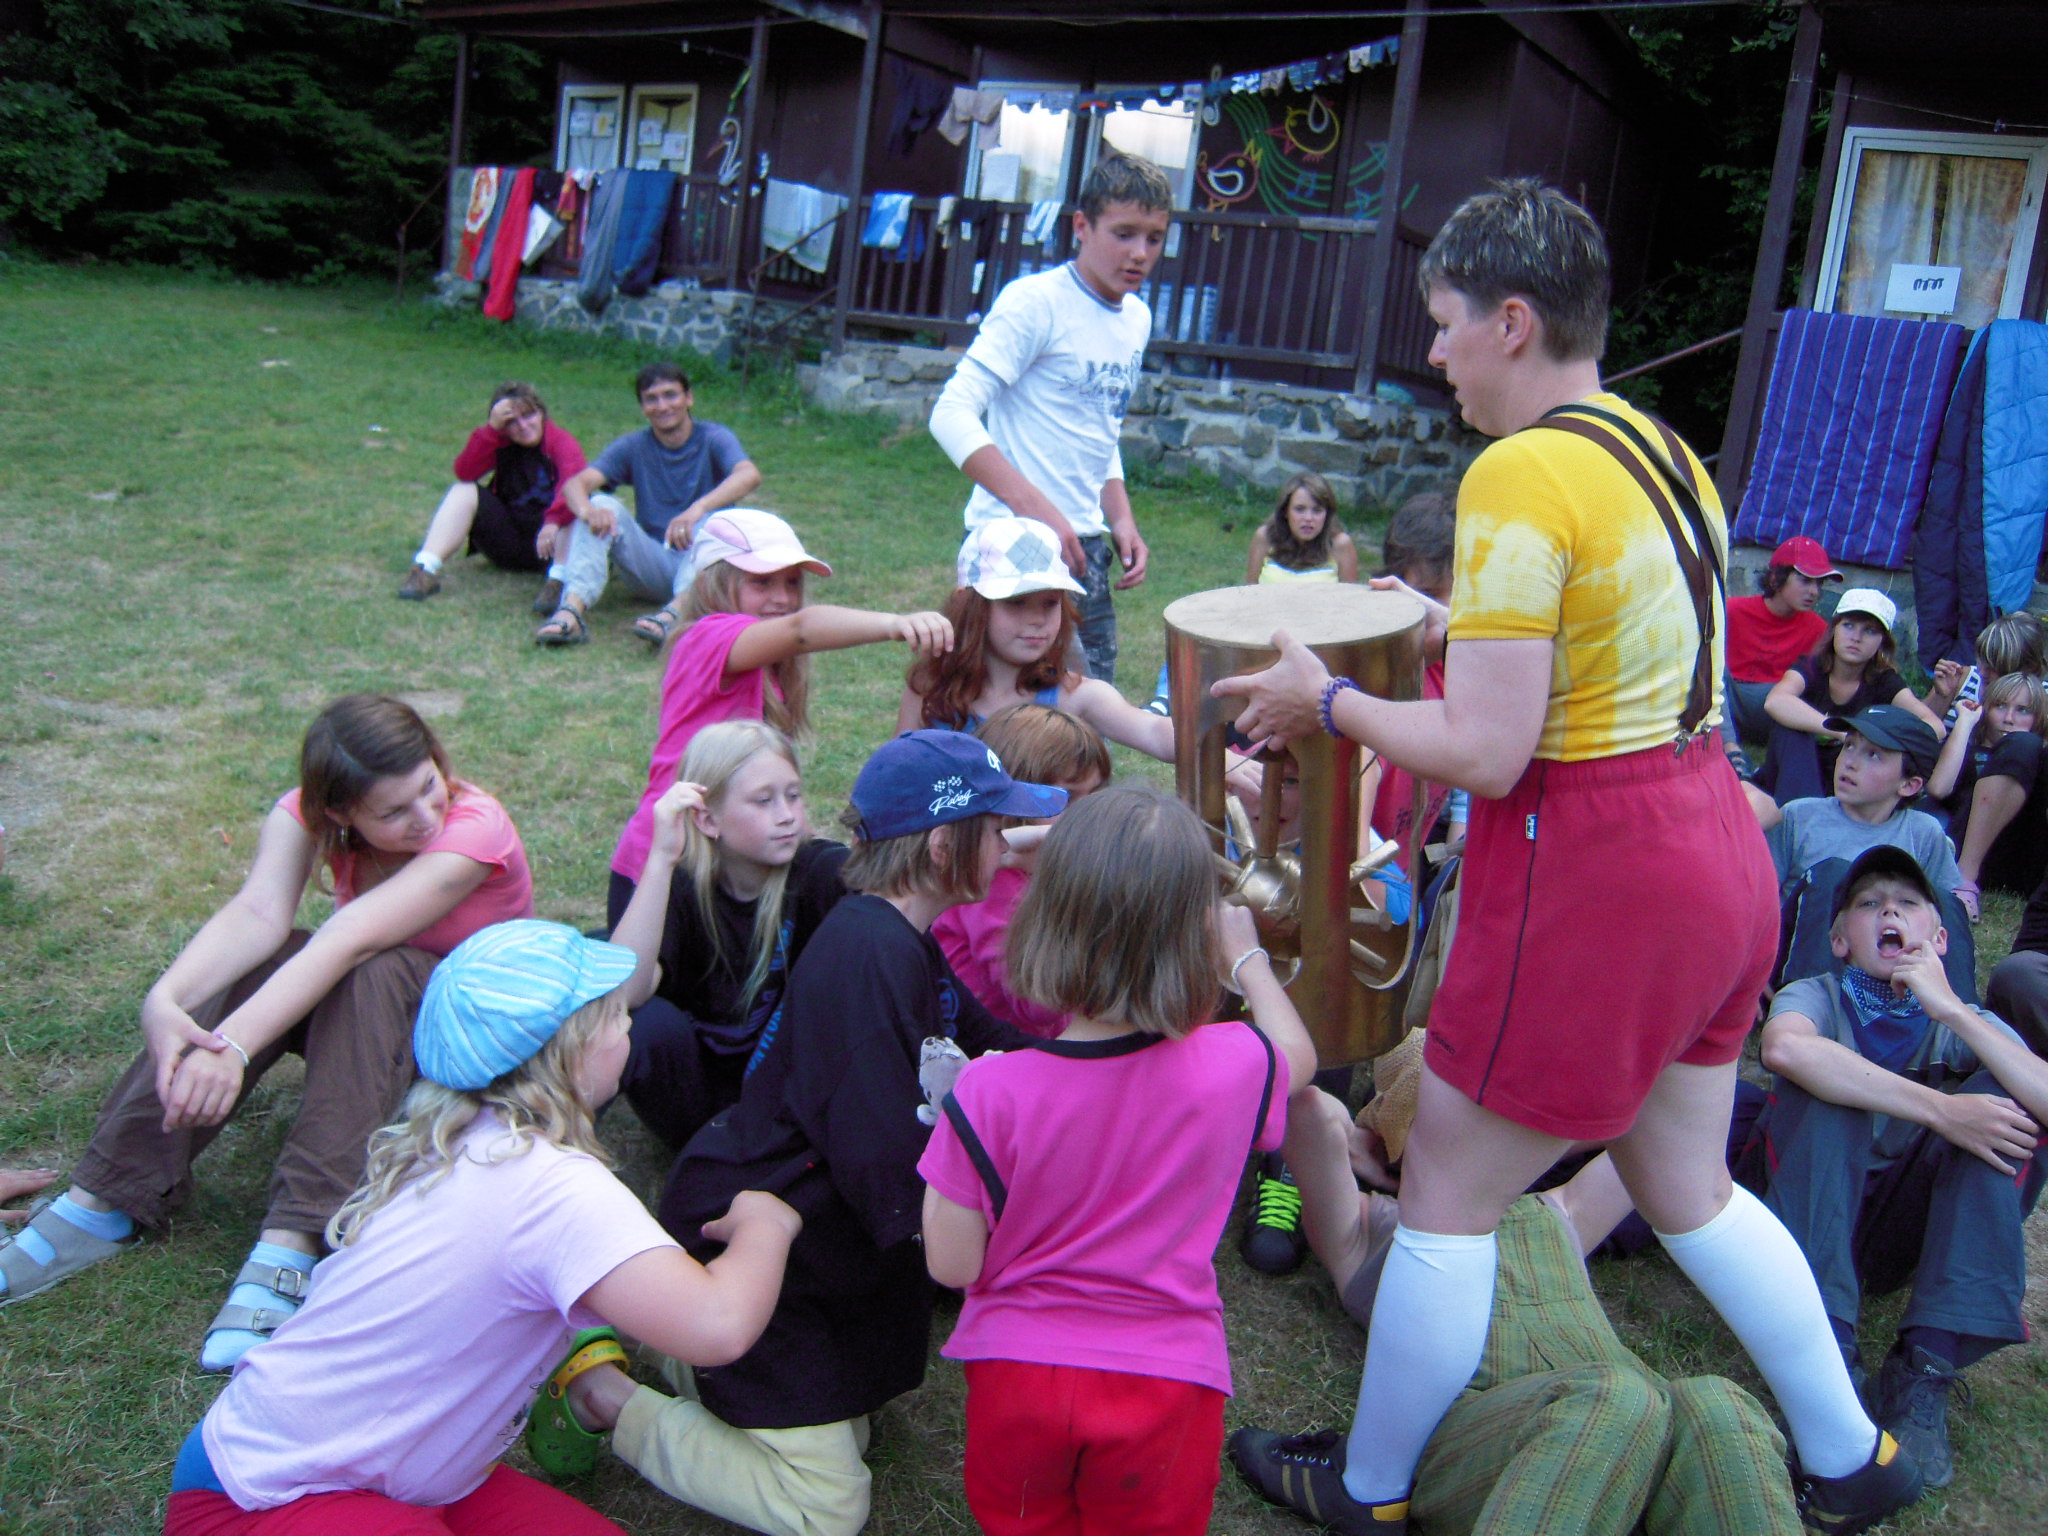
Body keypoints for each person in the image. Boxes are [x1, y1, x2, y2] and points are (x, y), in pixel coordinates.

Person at [1213, 179, 1915, 1535]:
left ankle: (1368, 1489)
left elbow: (1486, 752)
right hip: (1714, 849)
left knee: (1445, 1193)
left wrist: (1328, 701)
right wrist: (1449, 623)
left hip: (1597, 875)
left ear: (1513, 322)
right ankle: (1851, 1452)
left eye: (1445, 323)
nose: (1434, 351)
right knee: (1689, 1188)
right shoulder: (1661, 449)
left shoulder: (1518, 470)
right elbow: (1606, 643)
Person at [543, 732, 1065, 1536]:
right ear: (939, 850)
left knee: (853, 1424)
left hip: (815, 1229)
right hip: (761, 1231)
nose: (1006, 850)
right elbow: (885, 1170)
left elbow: (989, 1039)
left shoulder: (899, 935)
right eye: (995, 831)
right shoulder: (868, 954)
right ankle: (611, 1391)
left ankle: (688, 1347)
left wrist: (1103, 1069)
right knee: (825, 1505)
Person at [160, 919, 802, 1536]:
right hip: (268, 1497)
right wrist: (764, 1225)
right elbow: (718, 1325)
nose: (629, 1024)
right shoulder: (555, 1190)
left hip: (394, 1475)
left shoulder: (458, 1139)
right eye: (614, 1016)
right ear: (572, 1052)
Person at [0, 695, 534, 1374]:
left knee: (376, 966)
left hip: (471, 1041)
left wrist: (233, 1046)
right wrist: (166, 1001)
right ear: (340, 814)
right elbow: (258, 913)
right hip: (375, 1029)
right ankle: (103, 1197)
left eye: (430, 785)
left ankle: (299, 1233)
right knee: (277, 953)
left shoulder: (474, 830)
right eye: (393, 812)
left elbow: (350, 937)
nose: (426, 817)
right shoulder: (303, 815)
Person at [918, 784, 1317, 1536]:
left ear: (1045, 922)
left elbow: (951, 1263)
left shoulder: (989, 1091)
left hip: (1018, 1374)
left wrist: (1033, 853)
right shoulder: (1236, 1066)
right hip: (1167, 1380)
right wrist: (1249, 960)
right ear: (1198, 940)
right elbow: (1298, 1053)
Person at [1232, 1081, 1803, 1536]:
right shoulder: (1371, 1229)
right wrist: (1372, 1144)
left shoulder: (1559, 1210)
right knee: (1615, 1397)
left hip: (1640, 1439)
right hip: (1496, 1445)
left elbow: (1658, 1119)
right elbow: (1307, 1108)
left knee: (1720, 1403)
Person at [1747, 845, 2048, 1492]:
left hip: (1894, 1234)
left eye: (1908, 903)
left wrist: (1952, 1009)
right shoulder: (1816, 994)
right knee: (1825, 1086)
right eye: (1869, 904)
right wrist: (1943, 1111)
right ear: (1840, 941)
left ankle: (1925, 1366)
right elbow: (1785, 1048)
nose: (1889, 912)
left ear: (1939, 940)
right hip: (1801, 1221)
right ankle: (1826, 1361)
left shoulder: (1959, 1023)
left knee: (2011, 1102)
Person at [606, 508, 951, 928]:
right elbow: (800, 630)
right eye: (761, 582)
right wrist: (895, 623)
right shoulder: (706, 639)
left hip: (730, 863)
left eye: (791, 582)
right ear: (715, 582)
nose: (782, 598)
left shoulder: (768, 670)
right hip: (665, 862)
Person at [928, 152, 1170, 684]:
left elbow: (1098, 424)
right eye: (1124, 234)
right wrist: (1037, 512)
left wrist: (1121, 516)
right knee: (998, 706)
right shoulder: (1035, 303)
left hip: (1083, 546)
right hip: (1009, 544)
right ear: (1082, 226)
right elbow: (950, 412)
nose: (1140, 253)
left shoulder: (1137, 317)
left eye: (1154, 238)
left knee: (1089, 705)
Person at [607, 721, 849, 1146]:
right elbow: (624, 992)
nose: (787, 815)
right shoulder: (683, 886)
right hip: (698, 1098)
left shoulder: (819, 871)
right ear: (707, 819)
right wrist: (661, 858)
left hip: (790, 1089)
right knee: (641, 1017)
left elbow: (897, 901)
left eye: (793, 795)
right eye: (763, 800)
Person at [898, 519, 1176, 765]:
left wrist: (1209, 750)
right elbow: (895, 775)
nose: (1037, 619)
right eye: (1016, 602)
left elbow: (1154, 733)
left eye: (1050, 603)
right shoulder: (930, 690)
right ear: (967, 603)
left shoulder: (1077, 696)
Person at [538, 363, 762, 647]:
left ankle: (676, 614)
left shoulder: (714, 437)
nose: (662, 406)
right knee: (601, 503)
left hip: (704, 566)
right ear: (643, 407)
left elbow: (749, 474)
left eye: (671, 395)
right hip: (654, 560)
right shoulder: (634, 445)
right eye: (651, 399)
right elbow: (575, 485)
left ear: (688, 398)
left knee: (716, 521)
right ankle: (570, 612)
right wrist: (588, 512)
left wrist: (697, 509)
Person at [930, 702, 1112, 1038]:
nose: (1085, 815)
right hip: (988, 1055)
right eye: (1066, 798)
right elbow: (1039, 1002)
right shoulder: (992, 885)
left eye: (1095, 796)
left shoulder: (1031, 868)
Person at [398, 381, 588, 610]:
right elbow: (465, 472)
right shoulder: (500, 442)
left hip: (553, 544)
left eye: (528, 416)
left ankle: (558, 582)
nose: (523, 426)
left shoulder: (561, 443)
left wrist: (553, 521)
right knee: (462, 490)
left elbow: (574, 485)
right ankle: (424, 570)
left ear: (542, 413)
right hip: (509, 541)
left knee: (579, 503)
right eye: (511, 422)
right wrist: (490, 431)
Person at [1745, 706, 1960, 901]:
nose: (1850, 762)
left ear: (1909, 785)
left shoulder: (1923, 834)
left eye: (1874, 755)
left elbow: (1944, 907)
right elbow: (1759, 897)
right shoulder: (1798, 816)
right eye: (1848, 745)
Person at [1755, 589, 1945, 806]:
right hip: (1796, 765)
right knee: (1790, 730)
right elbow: (1776, 701)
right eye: (1848, 625)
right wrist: (1841, 731)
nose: (1856, 637)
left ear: (1882, 642)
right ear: (1834, 629)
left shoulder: (1884, 681)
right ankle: (1803, 812)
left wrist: (1874, 738)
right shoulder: (1812, 666)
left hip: (1849, 771)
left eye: (1870, 630)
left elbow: (1934, 727)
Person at [1932, 670, 2048, 918]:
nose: (2009, 718)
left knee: (2026, 745)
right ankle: (1964, 879)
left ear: (2038, 718)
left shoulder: (2039, 759)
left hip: (2026, 857)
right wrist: (1965, 722)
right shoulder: (1966, 750)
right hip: (1970, 854)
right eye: (2000, 706)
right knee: (2022, 743)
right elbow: (1939, 788)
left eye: (2023, 710)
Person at [1723, 536, 1839, 756]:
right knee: (1712, 671)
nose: (1814, 591)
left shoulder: (1819, 630)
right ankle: (1731, 749)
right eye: (1806, 581)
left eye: (1819, 583)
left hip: (1776, 710)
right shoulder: (1732, 610)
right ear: (1776, 579)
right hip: (1729, 705)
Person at [1246, 471, 1359, 585]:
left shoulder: (1341, 545)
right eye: (1300, 509)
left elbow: (1350, 594)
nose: (1308, 518)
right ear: (1285, 511)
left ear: (1327, 514)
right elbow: (1249, 590)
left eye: (1317, 510)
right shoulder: (1265, 537)